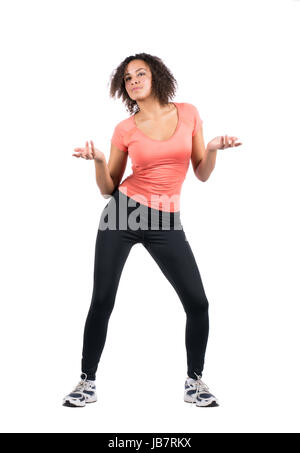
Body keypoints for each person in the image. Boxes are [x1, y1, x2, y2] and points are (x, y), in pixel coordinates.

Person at [62, 52, 242, 408]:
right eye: (128, 78)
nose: (134, 81)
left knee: (198, 302)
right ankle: (87, 381)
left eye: (140, 73)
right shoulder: (124, 130)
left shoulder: (188, 113)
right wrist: (98, 161)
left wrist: (211, 149)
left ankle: (195, 382)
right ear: (124, 88)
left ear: (156, 76)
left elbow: (201, 173)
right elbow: (107, 188)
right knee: (102, 300)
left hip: (165, 220)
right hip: (123, 213)